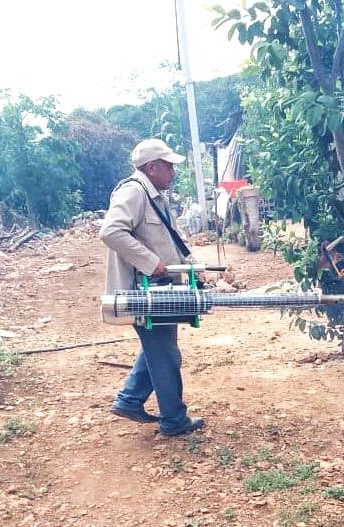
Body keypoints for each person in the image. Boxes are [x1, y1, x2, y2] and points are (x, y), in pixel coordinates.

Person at [99, 138, 204, 437]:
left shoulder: (154, 194)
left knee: (158, 350)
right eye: (169, 165)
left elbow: (170, 238)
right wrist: (150, 262)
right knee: (165, 354)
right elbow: (110, 231)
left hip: (161, 287)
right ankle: (174, 420)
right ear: (152, 167)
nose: (173, 171)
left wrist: (192, 264)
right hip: (144, 289)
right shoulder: (134, 191)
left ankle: (130, 400)